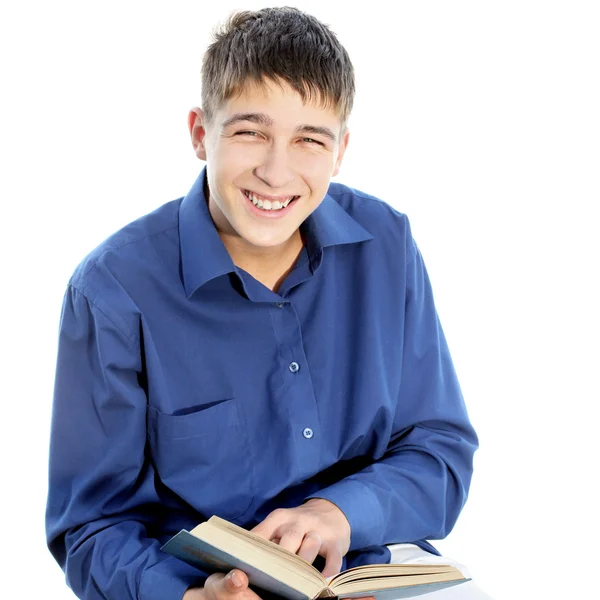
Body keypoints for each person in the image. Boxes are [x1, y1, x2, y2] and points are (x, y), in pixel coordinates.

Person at [46, 7, 493, 600]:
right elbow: (91, 526)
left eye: (310, 140)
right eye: (250, 132)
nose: (276, 172)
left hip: (369, 579)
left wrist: (339, 512)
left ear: (341, 151)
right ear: (201, 133)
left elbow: (440, 450)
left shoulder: (387, 245)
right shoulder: (112, 291)